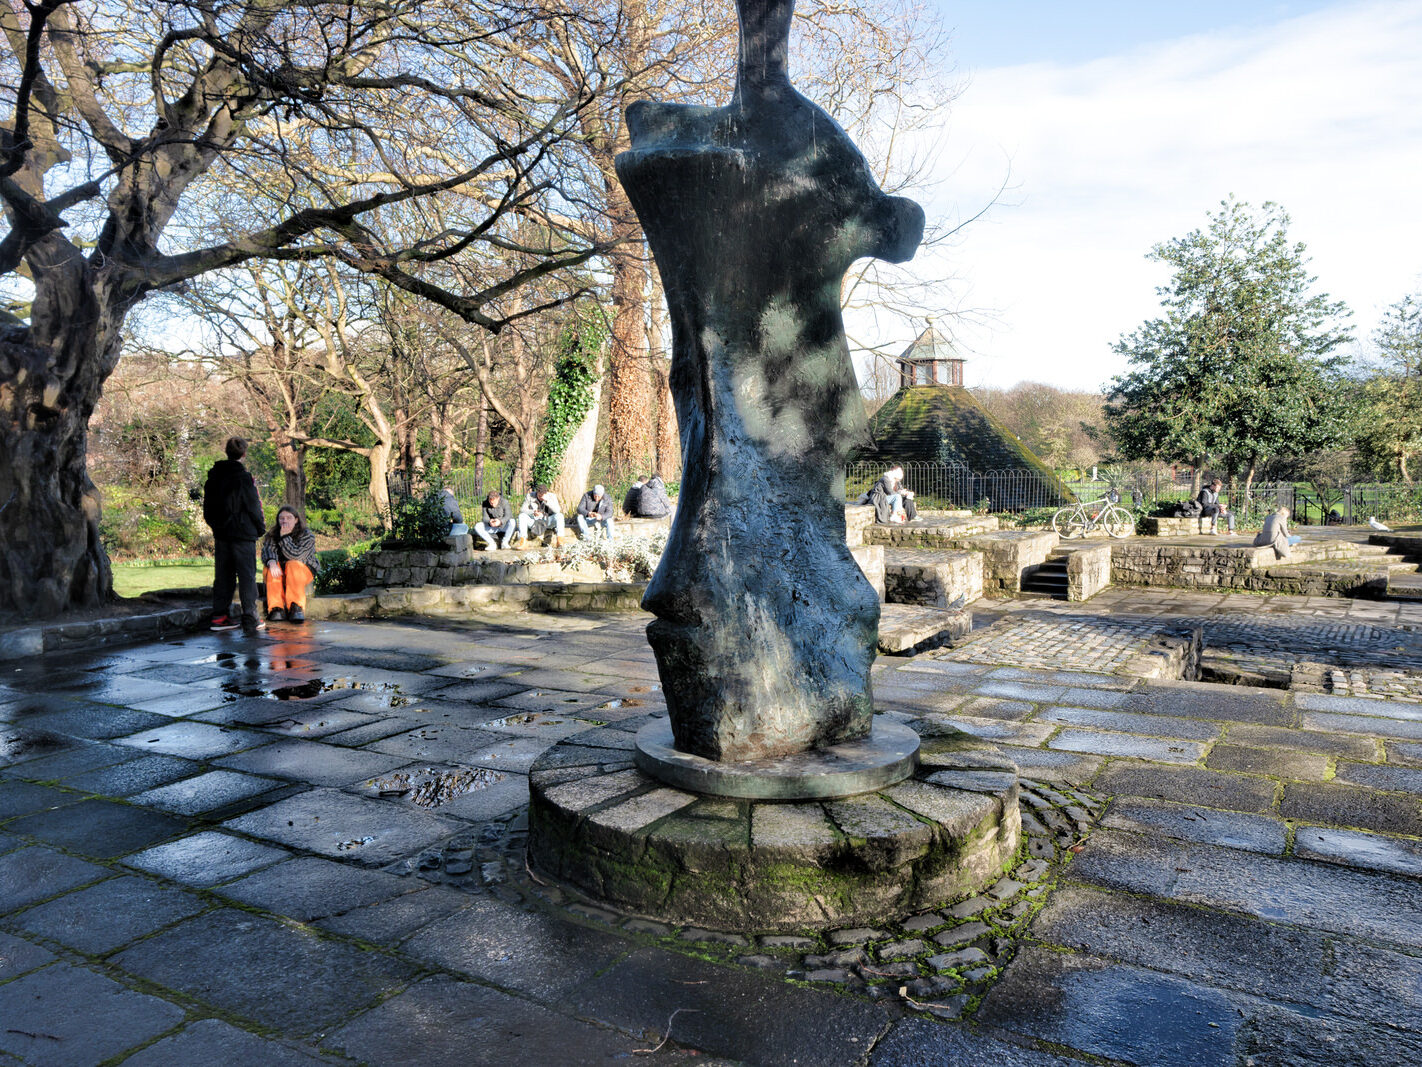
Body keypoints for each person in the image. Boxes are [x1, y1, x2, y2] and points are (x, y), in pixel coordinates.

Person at [203, 436, 266, 633]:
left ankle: (220, 616)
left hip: (222, 534)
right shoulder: (243, 478)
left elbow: (207, 510)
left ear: (227, 452)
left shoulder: (213, 478)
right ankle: (250, 617)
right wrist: (260, 527)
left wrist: (216, 527)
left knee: (223, 576)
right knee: (246, 576)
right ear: (244, 453)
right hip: (243, 533)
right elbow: (253, 506)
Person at [260, 506, 320, 623]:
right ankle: (276, 609)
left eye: (288, 518)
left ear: (296, 519)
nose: (285, 521)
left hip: (302, 570)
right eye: (281, 518)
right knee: (271, 566)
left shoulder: (307, 535)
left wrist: (285, 537)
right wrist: (271, 562)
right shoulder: (272, 534)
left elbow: (296, 556)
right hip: (281, 571)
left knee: (293, 564)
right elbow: (267, 551)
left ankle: (296, 607)